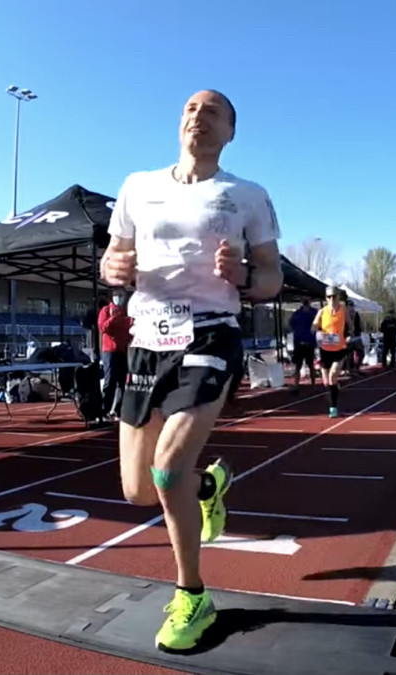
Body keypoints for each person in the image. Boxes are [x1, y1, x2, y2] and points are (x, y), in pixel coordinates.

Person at [99, 89, 283, 652]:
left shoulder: (247, 195)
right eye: (190, 109)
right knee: (137, 490)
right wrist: (113, 267)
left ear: (230, 133)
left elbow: (272, 278)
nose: (198, 117)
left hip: (210, 331)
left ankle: (193, 595)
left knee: (168, 466)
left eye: (212, 111)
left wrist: (245, 275)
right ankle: (210, 485)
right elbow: (112, 259)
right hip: (147, 338)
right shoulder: (137, 186)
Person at [312, 286, 352, 418]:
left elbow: (350, 325)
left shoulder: (343, 309)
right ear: (326, 298)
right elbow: (314, 324)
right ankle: (335, 390)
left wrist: (349, 335)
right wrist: (315, 329)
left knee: (332, 375)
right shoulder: (322, 311)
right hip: (325, 350)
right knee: (326, 382)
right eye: (329, 297)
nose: (332, 299)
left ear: (338, 297)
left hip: (339, 348)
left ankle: (333, 408)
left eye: (334, 296)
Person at [98, 289, 133, 420]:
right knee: (110, 381)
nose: (118, 298)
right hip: (109, 351)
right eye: (116, 295)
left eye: (121, 295)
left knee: (122, 382)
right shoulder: (106, 310)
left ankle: (117, 410)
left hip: (121, 351)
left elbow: (127, 331)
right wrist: (113, 318)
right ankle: (104, 410)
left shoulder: (124, 313)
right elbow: (103, 328)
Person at [288, 298, 318, 388]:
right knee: (299, 365)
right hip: (300, 342)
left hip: (308, 342)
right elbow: (291, 324)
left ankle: (312, 384)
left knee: (309, 364)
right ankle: (297, 384)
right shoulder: (297, 313)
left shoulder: (313, 313)